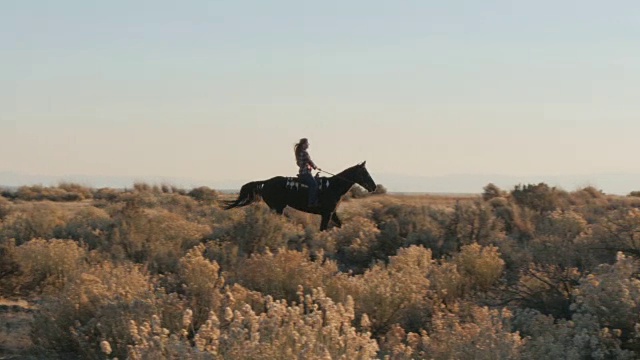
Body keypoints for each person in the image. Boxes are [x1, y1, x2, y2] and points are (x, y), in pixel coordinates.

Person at [294, 138, 320, 206]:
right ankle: (311, 202)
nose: (308, 145)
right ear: (303, 144)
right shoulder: (304, 153)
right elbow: (309, 161)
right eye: (307, 143)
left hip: (302, 173)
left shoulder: (299, 152)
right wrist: (315, 167)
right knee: (314, 184)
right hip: (305, 173)